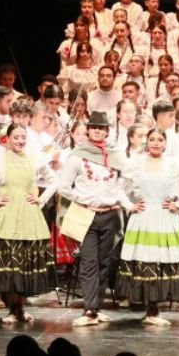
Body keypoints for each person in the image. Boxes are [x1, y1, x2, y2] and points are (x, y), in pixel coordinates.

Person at [0, 122, 58, 324]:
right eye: (16, 137)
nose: (20, 140)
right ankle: (12, 309)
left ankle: (20, 309)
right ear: (7, 139)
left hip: (28, 216)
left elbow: (54, 180)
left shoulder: (35, 157)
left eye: (23, 137)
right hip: (7, 216)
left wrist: (41, 200)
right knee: (10, 265)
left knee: (24, 264)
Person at [58, 111, 134, 326]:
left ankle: (97, 306)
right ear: (89, 130)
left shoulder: (116, 155)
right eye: (94, 128)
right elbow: (64, 186)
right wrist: (81, 199)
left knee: (104, 262)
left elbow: (127, 178)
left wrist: (117, 195)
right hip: (87, 213)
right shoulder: (78, 155)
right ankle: (89, 309)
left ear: (107, 131)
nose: (98, 131)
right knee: (89, 261)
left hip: (110, 213)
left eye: (102, 128)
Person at [118, 127, 179, 325]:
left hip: (165, 218)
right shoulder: (136, 163)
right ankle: (150, 310)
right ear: (147, 142)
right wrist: (129, 205)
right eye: (152, 139)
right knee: (146, 260)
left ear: (165, 142)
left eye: (160, 139)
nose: (155, 143)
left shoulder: (173, 165)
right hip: (143, 218)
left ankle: (154, 309)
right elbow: (118, 188)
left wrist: (178, 204)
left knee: (161, 261)